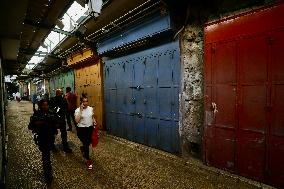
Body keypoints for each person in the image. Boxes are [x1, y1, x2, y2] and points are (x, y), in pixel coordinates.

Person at [28, 99, 58, 184]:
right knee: (45, 155)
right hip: (41, 138)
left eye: (47, 105)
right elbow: (30, 126)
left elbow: (58, 124)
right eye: (44, 105)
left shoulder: (52, 113)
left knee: (47, 154)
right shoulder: (37, 114)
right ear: (41, 105)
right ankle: (47, 173)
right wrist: (42, 122)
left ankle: (48, 170)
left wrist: (54, 122)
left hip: (50, 137)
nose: (45, 106)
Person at [75, 96, 97, 170]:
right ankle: (88, 160)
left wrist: (94, 120)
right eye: (84, 101)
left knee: (89, 142)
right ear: (81, 102)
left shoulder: (90, 108)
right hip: (81, 130)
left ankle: (83, 148)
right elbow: (77, 121)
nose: (85, 103)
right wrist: (81, 111)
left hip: (89, 128)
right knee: (86, 144)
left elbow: (92, 116)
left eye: (86, 101)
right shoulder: (77, 110)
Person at [50, 89, 72, 153]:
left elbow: (66, 109)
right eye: (61, 93)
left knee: (62, 134)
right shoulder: (62, 100)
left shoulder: (54, 99)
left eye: (62, 93)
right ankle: (63, 147)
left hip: (58, 119)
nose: (61, 94)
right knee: (56, 133)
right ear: (57, 93)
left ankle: (62, 147)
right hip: (56, 120)